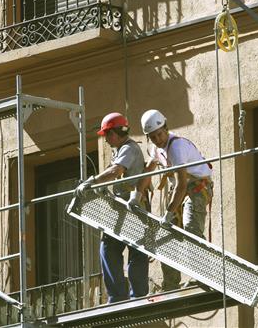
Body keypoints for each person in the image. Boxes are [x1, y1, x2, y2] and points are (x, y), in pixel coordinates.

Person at [127, 109, 213, 291]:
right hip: (180, 191)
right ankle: (171, 284)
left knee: (191, 230)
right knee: (166, 235)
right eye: (153, 137)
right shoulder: (156, 149)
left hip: (197, 188)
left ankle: (206, 276)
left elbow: (182, 184)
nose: (158, 139)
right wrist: (137, 195)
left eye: (159, 134)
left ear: (166, 128)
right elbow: (148, 172)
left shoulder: (177, 147)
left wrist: (168, 213)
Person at [75, 112, 149, 303]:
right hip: (121, 208)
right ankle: (118, 295)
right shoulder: (119, 150)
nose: (106, 139)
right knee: (108, 248)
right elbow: (113, 172)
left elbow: (116, 171)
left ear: (116, 132)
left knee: (136, 251)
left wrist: (92, 182)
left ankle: (137, 295)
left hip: (133, 207)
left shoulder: (129, 149)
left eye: (107, 134)